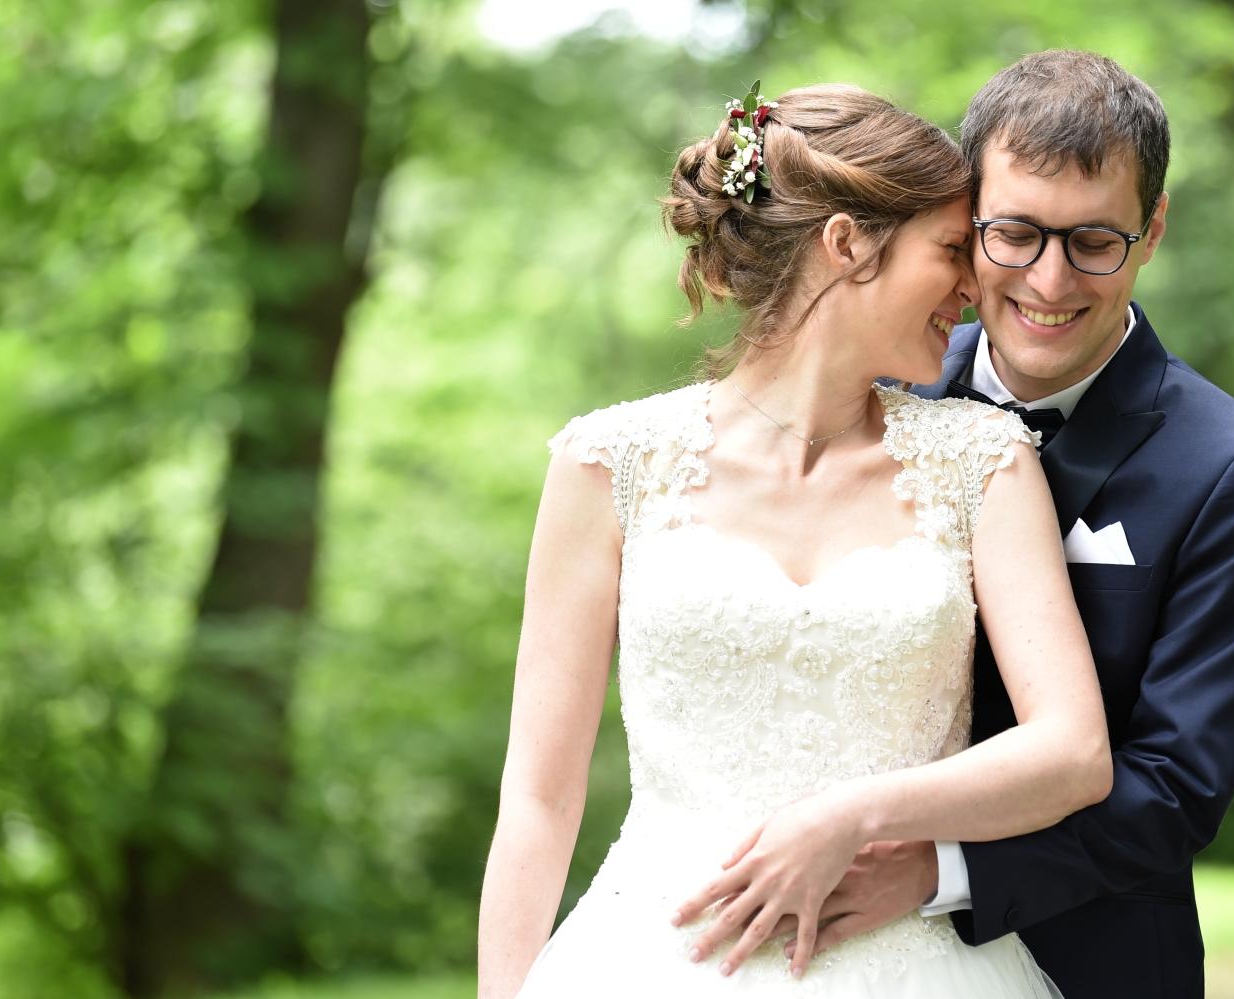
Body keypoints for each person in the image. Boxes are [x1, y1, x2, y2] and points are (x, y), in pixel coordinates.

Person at [477, 82, 1115, 998]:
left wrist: (851, 815)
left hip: (913, 963)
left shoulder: (983, 462)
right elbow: (539, 799)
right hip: (652, 959)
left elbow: (1072, 752)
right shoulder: (609, 463)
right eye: (949, 250)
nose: (977, 286)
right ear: (847, 243)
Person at [764, 51, 1234, 999]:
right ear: (965, 220)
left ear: (1153, 230)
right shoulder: (879, 388)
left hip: (1085, 959)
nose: (1050, 282)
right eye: (1015, 233)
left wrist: (939, 871)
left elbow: (1174, 784)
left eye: (1094, 241)